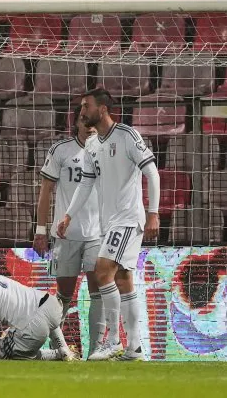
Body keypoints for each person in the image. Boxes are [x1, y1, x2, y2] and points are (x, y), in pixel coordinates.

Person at [57, 88, 161, 361]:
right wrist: (68, 215)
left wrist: (153, 213)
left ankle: (113, 341)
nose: (82, 112)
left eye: (86, 106)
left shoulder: (127, 136)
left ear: (102, 109)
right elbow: (86, 183)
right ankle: (134, 348)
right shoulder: (92, 145)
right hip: (109, 223)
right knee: (123, 280)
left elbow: (152, 173)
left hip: (127, 219)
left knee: (102, 271)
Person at [33, 105, 105, 357]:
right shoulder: (61, 150)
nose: (89, 126)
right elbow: (45, 192)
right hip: (65, 235)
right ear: (76, 123)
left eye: (92, 121)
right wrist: (40, 230)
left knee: (98, 293)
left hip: (98, 234)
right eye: (84, 121)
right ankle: (57, 350)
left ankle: (96, 351)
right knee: (63, 295)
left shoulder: (108, 152)